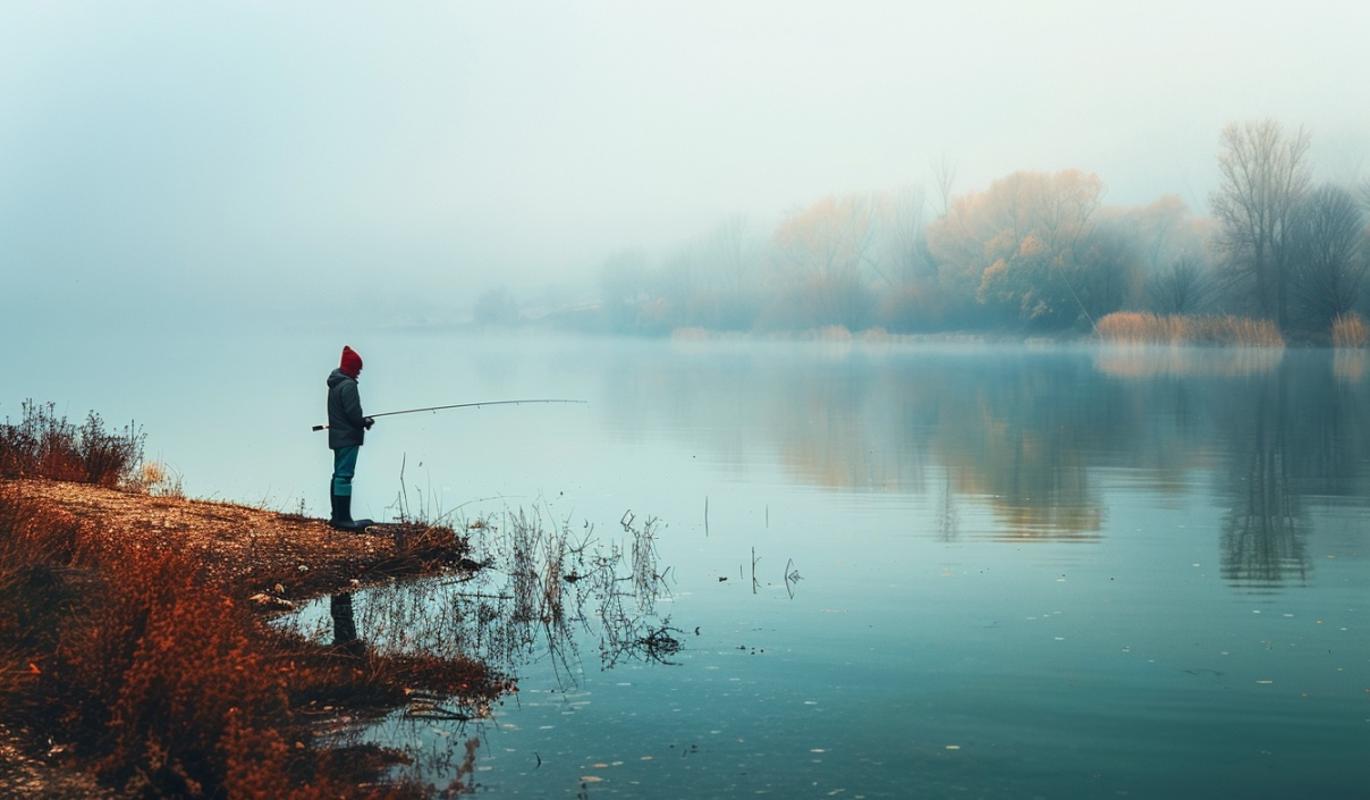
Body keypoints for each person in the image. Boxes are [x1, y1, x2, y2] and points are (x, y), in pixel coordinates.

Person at [326, 345, 375, 530]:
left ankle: (336, 516)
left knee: (338, 475)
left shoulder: (336, 383)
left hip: (337, 435)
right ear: (352, 367)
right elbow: (353, 414)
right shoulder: (348, 385)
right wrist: (365, 422)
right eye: (358, 368)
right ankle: (344, 519)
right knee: (345, 476)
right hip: (348, 436)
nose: (359, 372)